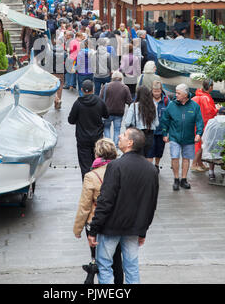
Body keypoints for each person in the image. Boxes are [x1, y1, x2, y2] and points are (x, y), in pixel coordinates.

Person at [87, 127, 159, 284]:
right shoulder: (151, 170)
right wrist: (143, 231)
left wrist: (94, 229)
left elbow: (105, 200)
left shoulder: (116, 166)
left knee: (105, 265)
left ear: (130, 143)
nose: (119, 136)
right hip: (134, 228)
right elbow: (151, 204)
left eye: (124, 135)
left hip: (112, 227)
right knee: (131, 266)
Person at [73, 138, 123, 284]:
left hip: (96, 222)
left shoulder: (91, 176)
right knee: (117, 261)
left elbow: (84, 206)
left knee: (100, 261)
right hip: (118, 221)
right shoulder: (121, 170)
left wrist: (78, 229)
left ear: (97, 154)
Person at [161, 83, 204, 191]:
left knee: (186, 158)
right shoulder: (171, 105)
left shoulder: (194, 106)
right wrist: (165, 133)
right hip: (175, 136)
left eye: (178, 93)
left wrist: (198, 134)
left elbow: (199, 121)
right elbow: (165, 119)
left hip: (189, 138)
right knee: (175, 157)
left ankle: (184, 179)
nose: (176, 95)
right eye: (176, 92)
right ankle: (176, 179)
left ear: (185, 94)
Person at [68, 79, 109, 179]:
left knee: (85, 166)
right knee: (98, 163)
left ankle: (87, 185)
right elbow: (106, 115)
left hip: (83, 139)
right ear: (93, 89)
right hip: (97, 138)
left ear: (82, 89)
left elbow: (71, 120)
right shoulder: (99, 102)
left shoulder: (78, 103)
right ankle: (98, 184)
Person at [201, 107, 225, 181]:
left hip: (210, 154)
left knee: (212, 148)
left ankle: (211, 172)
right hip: (224, 155)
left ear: (218, 114)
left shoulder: (211, 121)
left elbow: (204, 136)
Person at [100, 71, 132, 148]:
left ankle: (109, 145)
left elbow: (100, 99)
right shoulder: (125, 87)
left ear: (112, 77)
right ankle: (115, 146)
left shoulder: (106, 86)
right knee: (117, 130)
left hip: (107, 112)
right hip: (119, 112)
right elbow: (129, 101)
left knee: (106, 128)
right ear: (121, 78)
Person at [191, 80, 218, 172]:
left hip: (196, 123)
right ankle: (194, 164)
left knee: (200, 144)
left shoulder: (198, 95)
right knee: (201, 144)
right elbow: (209, 111)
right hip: (203, 124)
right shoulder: (205, 97)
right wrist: (217, 109)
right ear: (210, 87)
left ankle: (200, 163)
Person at [125, 86, 159, 157]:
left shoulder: (134, 106)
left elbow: (127, 122)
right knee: (145, 156)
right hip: (149, 134)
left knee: (136, 156)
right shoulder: (153, 105)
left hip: (137, 134)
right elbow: (156, 123)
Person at [147, 81, 170, 172]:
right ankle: (149, 168)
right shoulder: (148, 100)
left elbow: (169, 115)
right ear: (152, 90)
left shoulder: (166, 101)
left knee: (159, 150)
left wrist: (168, 132)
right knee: (150, 150)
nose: (156, 93)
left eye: (158, 91)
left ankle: (156, 165)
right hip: (150, 130)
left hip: (161, 130)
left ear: (161, 91)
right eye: (154, 91)